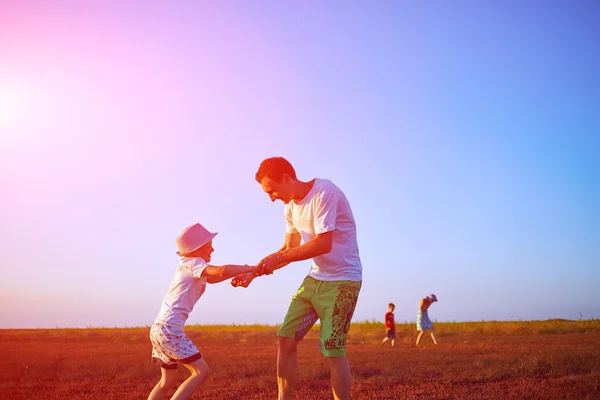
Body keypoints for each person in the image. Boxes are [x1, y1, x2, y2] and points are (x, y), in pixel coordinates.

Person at [232, 157, 362, 400]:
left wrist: (279, 258)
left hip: (344, 280)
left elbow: (323, 244)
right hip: (314, 279)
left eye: (272, 191)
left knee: (333, 349)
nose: (271, 197)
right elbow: (287, 250)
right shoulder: (290, 209)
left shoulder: (325, 192)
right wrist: (253, 272)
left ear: (286, 178)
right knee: (285, 337)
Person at [148, 223, 258, 400]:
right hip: (169, 328)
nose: (212, 249)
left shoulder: (188, 265)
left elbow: (214, 278)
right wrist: (251, 268)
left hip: (159, 328)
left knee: (166, 381)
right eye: (208, 245)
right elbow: (221, 270)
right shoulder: (194, 263)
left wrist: (241, 270)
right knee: (201, 371)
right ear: (195, 249)